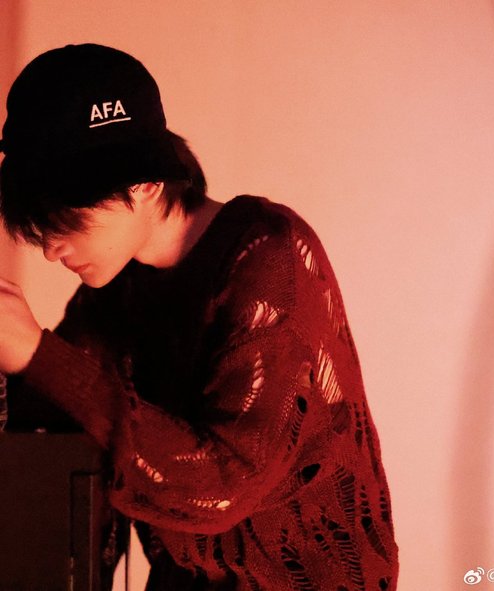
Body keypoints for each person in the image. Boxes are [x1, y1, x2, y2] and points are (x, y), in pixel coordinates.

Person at [0, 44, 399, 590]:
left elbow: (220, 487)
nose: (51, 249)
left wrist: (36, 352)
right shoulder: (118, 287)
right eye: (41, 227)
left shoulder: (270, 259)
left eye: (67, 221)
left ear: (144, 184)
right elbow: (53, 414)